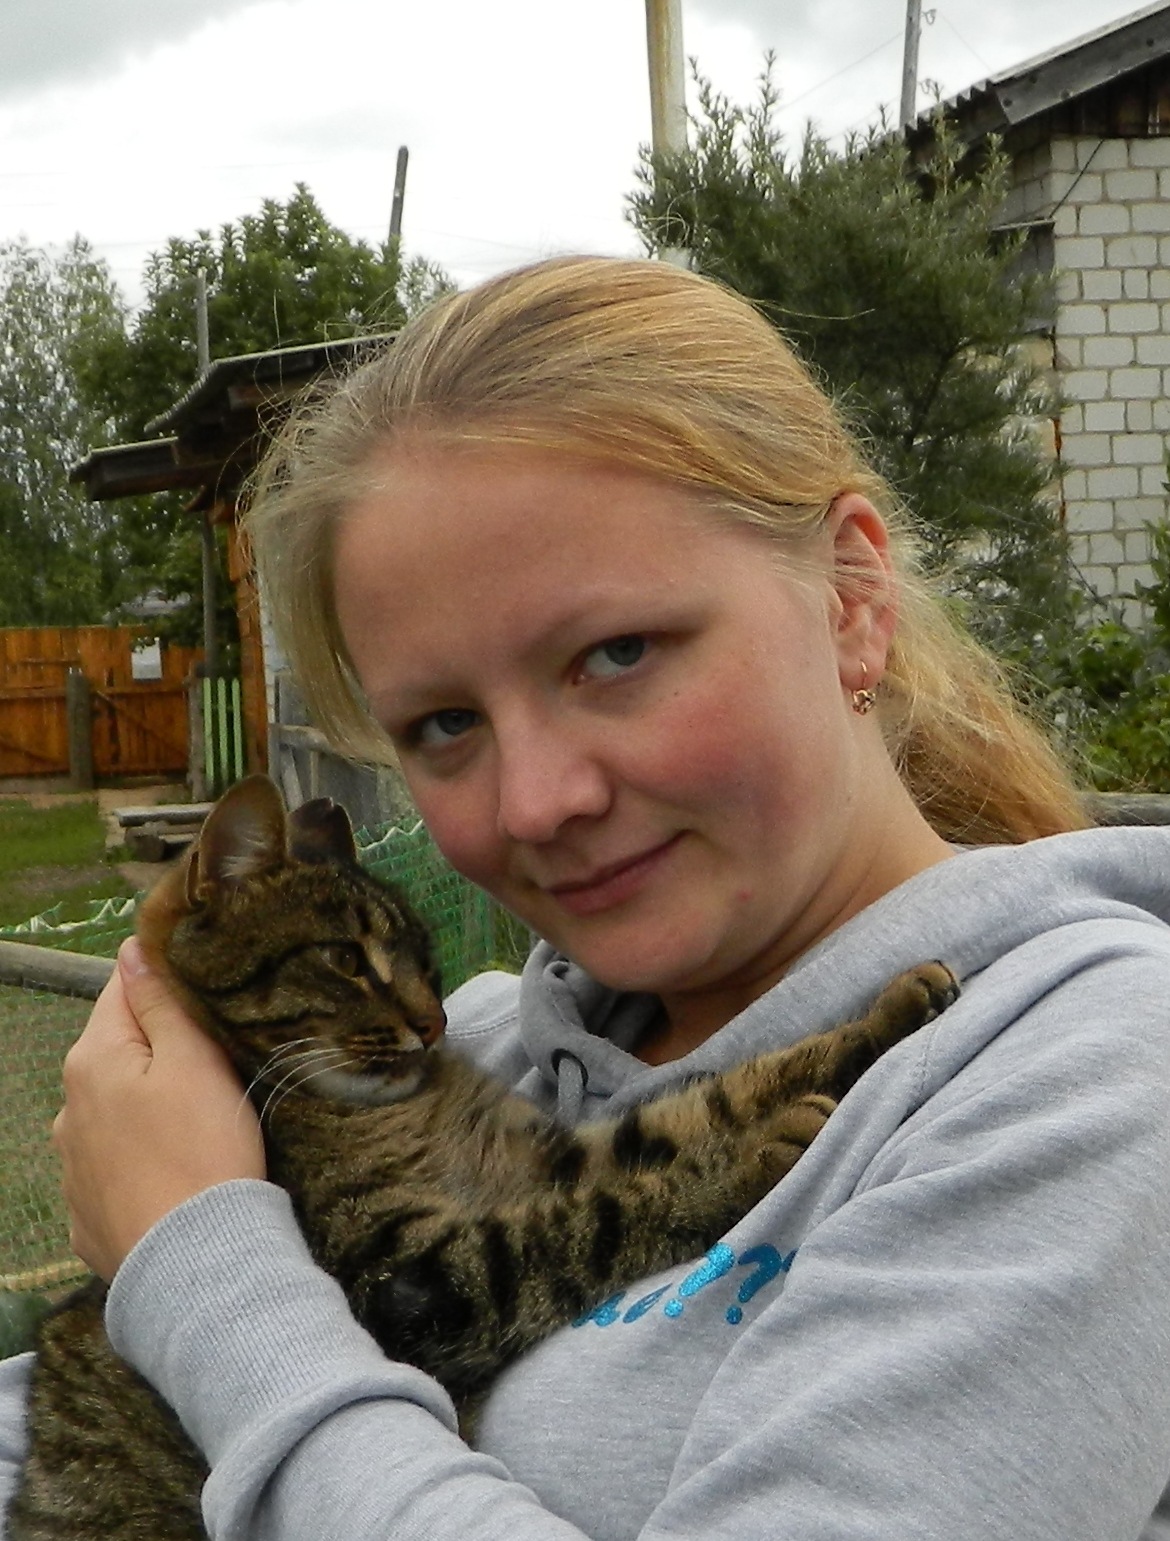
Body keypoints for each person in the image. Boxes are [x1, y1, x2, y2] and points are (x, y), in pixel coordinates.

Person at [4, 253, 1170, 1541]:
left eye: (616, 654)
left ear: (850, 599)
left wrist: (197, 1263)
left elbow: (221, 1314)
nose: (536, 803)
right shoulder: (483, 1048)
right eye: (444, 724)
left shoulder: (1095, 1077)